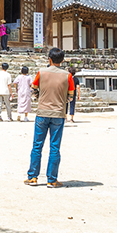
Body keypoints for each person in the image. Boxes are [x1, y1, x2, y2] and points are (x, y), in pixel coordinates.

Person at [25, 47, 75, 188]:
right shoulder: (67, 76)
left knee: (37, 146)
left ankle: (33, 177)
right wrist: (63, 101)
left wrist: (38, 97)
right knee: (54, 147)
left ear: (50, 59)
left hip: (42, 112)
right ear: (63, 60)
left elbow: (33, 88)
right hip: (58, 114)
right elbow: (70, 95)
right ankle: (52, 179)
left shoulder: (41, 72)